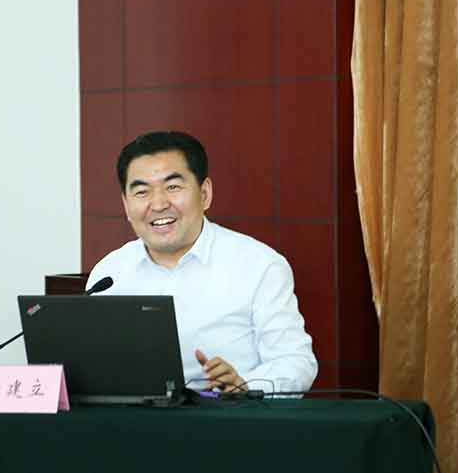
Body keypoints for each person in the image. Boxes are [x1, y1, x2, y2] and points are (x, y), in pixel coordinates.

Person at [86, 131, 317, 394]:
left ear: (204, 194)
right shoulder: (110, 274)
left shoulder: (259, 265)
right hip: (131, 417)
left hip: (229, 415)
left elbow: (295, 363)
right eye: (141, 192)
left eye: (173, 187)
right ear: (126, 205)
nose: (158, 204)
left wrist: (245, 386)